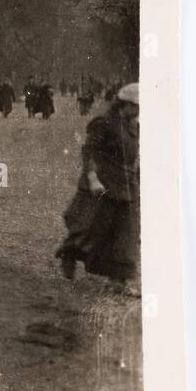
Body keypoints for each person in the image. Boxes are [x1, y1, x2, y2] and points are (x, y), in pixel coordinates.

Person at [56, 84, 139, 293]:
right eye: (136, 107)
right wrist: (92, 178)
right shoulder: (103, 123)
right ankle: (70, 253)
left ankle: (118, 280)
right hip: (104, 183)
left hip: (127, 185)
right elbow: (90, 151)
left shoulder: (134, 126)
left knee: (126, 231)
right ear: (126, 104)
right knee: (92, 228)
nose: (138, 112)